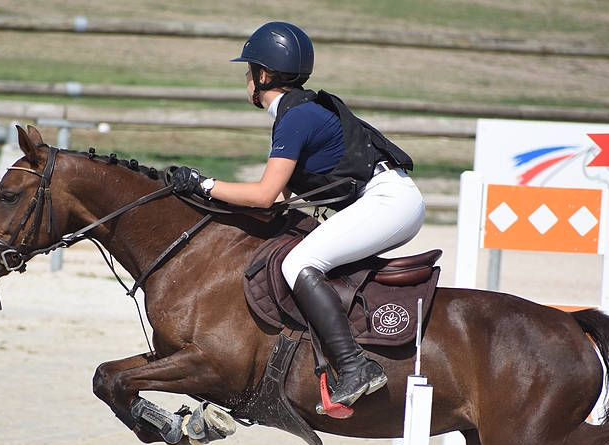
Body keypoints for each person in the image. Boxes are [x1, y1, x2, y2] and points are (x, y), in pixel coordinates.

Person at [171, 22, 426, 410]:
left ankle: (356, 366)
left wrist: (202, 184)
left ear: (263, 75)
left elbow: (263, 194)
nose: (246, 79)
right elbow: (278, 199)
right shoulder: (302, 111)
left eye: (248, 70)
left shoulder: (295, 118)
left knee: (300, 261)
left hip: (389, 201)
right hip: (387, 200)